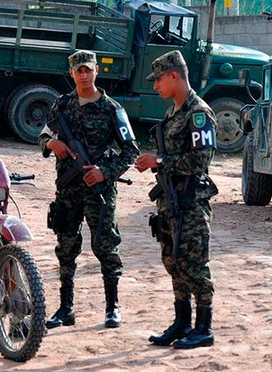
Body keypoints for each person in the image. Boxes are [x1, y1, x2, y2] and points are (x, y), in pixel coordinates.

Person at [39, 50, 139, 330]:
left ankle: (112, 307)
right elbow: (43, 135)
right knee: (66, 247)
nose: (84, 75)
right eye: (78, 70)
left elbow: (130, 151)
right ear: (71, 73)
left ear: (96, 70)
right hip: (68, 190)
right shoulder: (61, 105)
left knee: (106, 246)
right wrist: (51, 144)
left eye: (88, 69)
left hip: (99, 190)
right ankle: (66, 308)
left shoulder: (111, 108)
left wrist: (104, 172)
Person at [134, 50, 218, 349]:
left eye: (158, 79)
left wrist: (159, 161)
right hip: (171, 200)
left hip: (191, 202)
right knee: (174, 261)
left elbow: (200, 161)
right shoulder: (173, 113)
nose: (156, 85)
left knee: (194, 263)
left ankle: (204, 328)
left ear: (173, 75)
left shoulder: (199, 113)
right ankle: (182, 322)